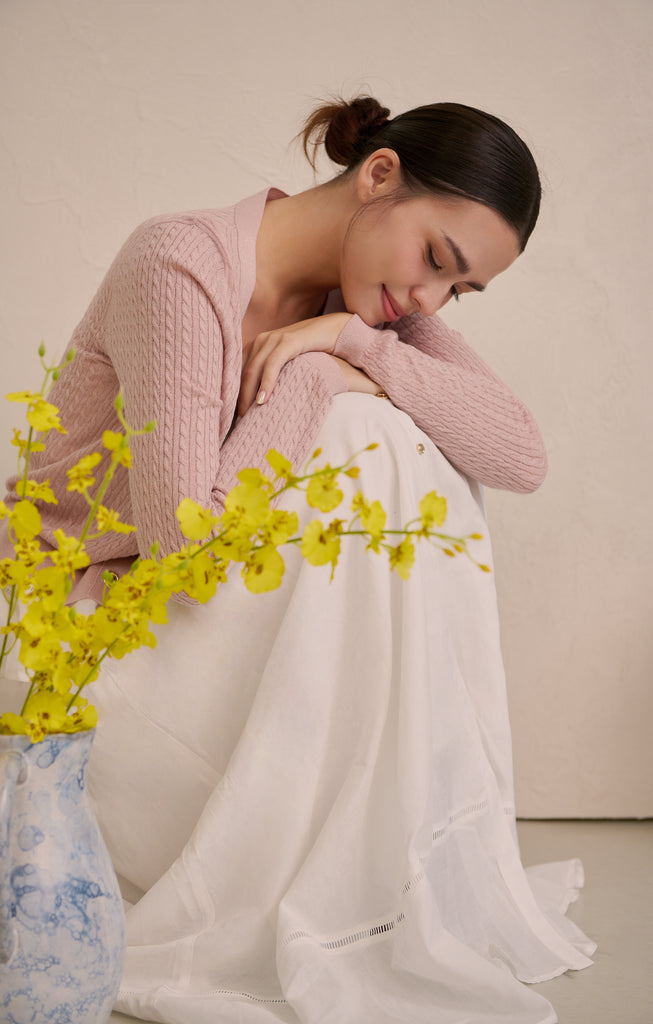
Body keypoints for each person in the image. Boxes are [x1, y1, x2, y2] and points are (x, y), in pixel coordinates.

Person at [3, 97, 594, 1023]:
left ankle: (343, 858)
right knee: (362, 421)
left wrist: (355, 344)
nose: (431, 299)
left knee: (397, 424)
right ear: (380, 175)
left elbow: (520, 454)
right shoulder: (182, 261)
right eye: (437, 261)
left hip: (171, 617)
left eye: (461, 291)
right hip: (61, 622)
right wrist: (322, 378)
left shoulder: (367, 305)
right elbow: (182, 541)